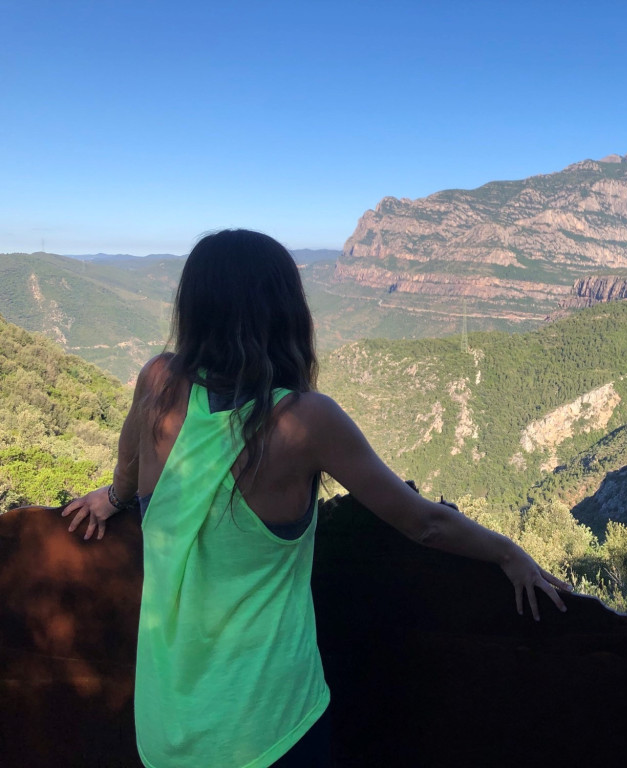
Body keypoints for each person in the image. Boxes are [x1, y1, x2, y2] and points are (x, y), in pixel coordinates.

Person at [62, 228, 569, 768]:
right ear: (284, 310)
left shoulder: (157, 380)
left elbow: (130, 455)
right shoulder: (302, 421)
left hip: (166, 727)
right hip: (270, 728)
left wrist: (116, 496)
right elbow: (424, 524)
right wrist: (509, 553)